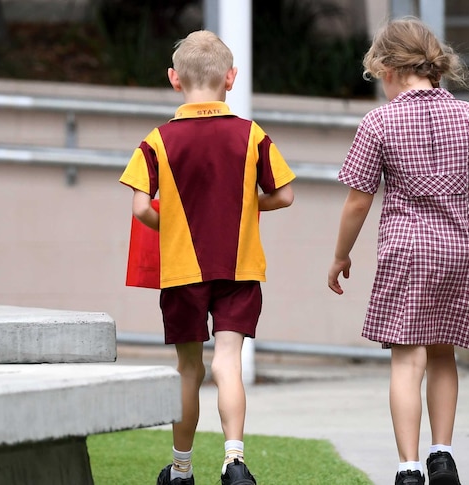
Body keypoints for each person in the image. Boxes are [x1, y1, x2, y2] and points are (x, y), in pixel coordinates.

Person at [326, 17, 469, 485]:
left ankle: (408, 468)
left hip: (407, 251)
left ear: (387, 68)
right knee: (444, 354)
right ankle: (442, 456)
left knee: (408, 360)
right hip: (458, 251)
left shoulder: (379, 121)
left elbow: (358, 199)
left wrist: (341, 254)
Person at [119, 30, 295, 485]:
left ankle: (180, 471)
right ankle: (234, 462)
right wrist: (246, 207)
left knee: (189, 368)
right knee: (228, 362)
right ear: (231, 78)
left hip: (181, 271)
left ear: (174, 79)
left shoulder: (156, 141)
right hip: (239, 266)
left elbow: (141, 208)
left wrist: (175, 226)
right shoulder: (252, 135)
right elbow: (285, 194)